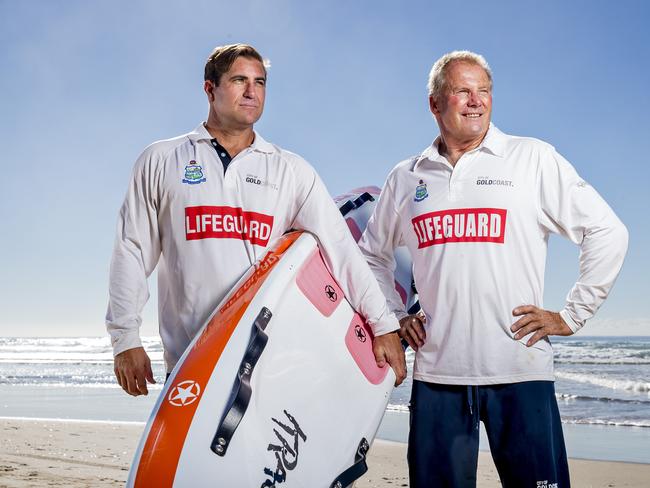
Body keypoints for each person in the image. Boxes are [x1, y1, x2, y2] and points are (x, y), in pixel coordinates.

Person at [359, 50, 628, 487]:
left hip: (520, 372)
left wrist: (572, 315)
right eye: (462, 91)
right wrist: (393, 317)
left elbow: (607, 230)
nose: (475, 101)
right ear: (434, 103)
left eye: (484, 91)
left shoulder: (531, 158)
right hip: (438, 376)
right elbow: (371, 255)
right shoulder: (406, 177)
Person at [106, 43, 406, 397]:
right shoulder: (161, 160)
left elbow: (339, 249)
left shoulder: (290, 170)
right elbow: (132, 251)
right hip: (191, 362)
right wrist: (125, 338)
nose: (252, 91)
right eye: (239, 80)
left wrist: (383, 324)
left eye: (260, 82)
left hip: (272, 362)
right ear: (210, 88)